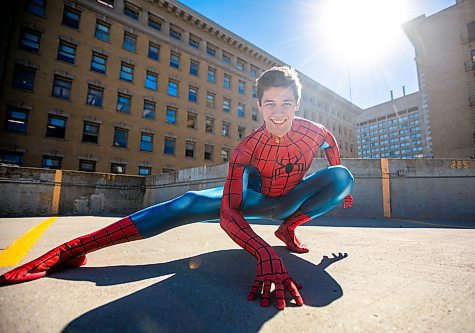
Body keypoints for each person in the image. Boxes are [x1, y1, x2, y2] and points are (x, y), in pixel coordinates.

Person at [0, 66, 353, 310]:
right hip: (253, 200)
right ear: (259, 106)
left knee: (342, 177)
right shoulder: (248, 148)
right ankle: (74, 248)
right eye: (270, 104)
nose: (278, 114)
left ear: (298, 104)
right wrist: (264, 255)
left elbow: (330, 145)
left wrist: (339, 188)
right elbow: (229, 212)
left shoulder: (315, 131)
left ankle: (288, 228)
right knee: (188, 202)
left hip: (291, 200)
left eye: (287, 104)